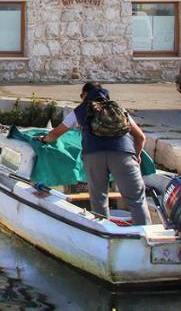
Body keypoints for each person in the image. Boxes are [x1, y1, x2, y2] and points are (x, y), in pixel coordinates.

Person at [40, 82, 149, 225]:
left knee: (99, 200)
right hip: (123, 153)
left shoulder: (80, 110)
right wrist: (137, 155)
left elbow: (55, 133)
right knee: (136, 200)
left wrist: (43, 140)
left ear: (85, 94)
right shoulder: (119, 109)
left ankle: (103, 234)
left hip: (93, 155)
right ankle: (146, 237)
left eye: (81, 95)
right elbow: (141, 137)